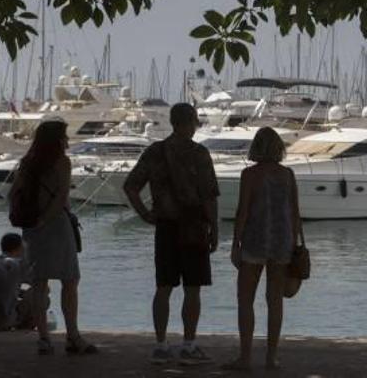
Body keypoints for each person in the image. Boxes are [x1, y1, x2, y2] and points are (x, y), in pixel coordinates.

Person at [124, 103, 219, 366]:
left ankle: (161, 345)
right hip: (194, 226)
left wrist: (145, 214)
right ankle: (188, 345)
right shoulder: (199, 154)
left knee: (163, 288)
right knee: (192, 289)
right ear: (190, 122)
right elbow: (209, 196)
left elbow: (131, 186)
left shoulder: (156, 151)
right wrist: (215, 229)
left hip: (165, 226)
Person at [8, 119, 95, 355]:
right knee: (69, 281)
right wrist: (45, 219)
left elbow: (14, 192)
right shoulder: (62, 162)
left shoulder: (27, 163)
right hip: (56, 225)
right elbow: (60, 198)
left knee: (39, 283)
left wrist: (34, 221)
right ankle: (73, 336)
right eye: (65, 136)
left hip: (32, 229)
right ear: (57, 139)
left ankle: (44, 339)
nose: (67, 141)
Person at [227, 127, 302, 370]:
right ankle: (272, 357)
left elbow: (243, 211)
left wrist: (235, 244)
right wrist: (296, 242)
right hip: (282, 241)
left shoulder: (250, 174)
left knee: (245, 299)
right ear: (279, 147)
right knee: (275, 301)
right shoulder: (287, 174)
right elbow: (294, 211)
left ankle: (245, 357)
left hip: (255, 240)